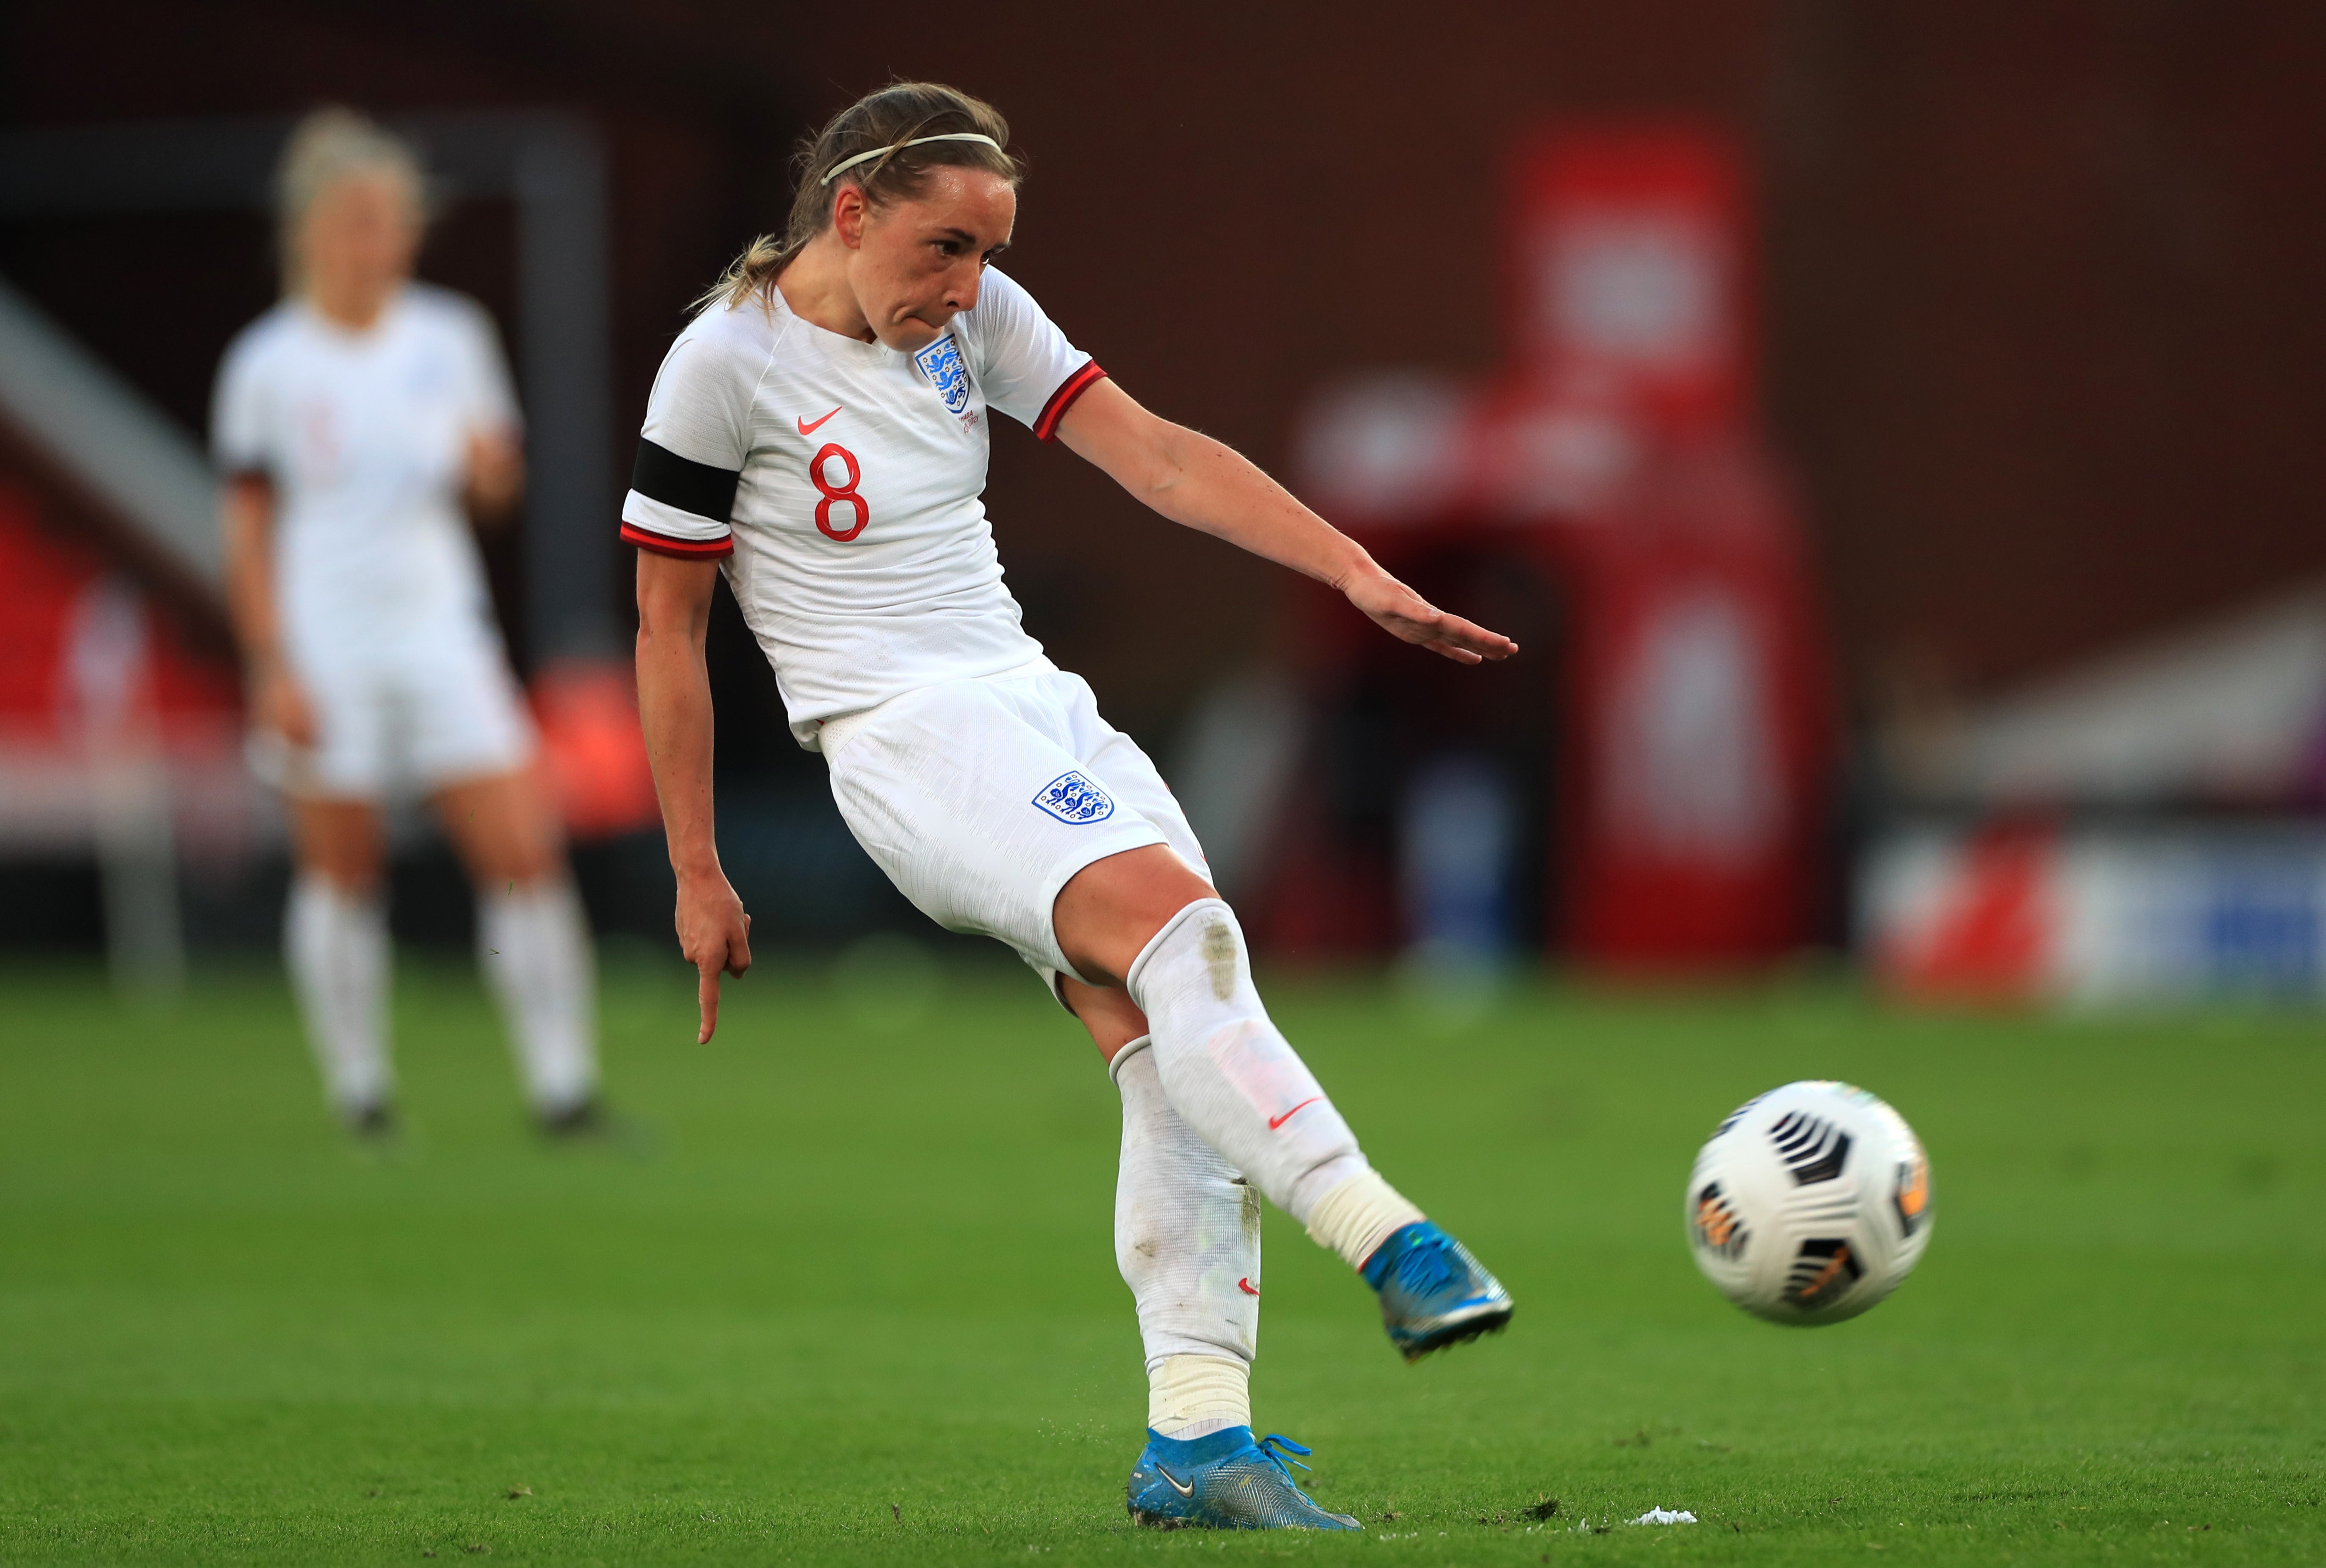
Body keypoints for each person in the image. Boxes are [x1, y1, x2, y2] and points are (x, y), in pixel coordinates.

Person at [629, 83, 1515, 1531]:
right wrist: (695, 863)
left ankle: (1196, 1442)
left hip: (1033, 702)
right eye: (942, 248)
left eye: (986, 250)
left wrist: (1354, 571)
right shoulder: (720, 366)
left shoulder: (971, 315)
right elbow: (667, 630)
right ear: (849, 213)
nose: (966, 283)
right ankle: (1389, 1238)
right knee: (1186, 940)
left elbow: (1157, 453)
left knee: (1173, 1043)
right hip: (906, 740)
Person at [214, 108, 602, 1138]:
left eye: (391, 219)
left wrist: (490, 475)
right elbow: (246, 533)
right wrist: (271, 663)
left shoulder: (450, 335)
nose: (378, 239)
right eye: (356, 219)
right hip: (326, 639)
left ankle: (563, 1088)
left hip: (441, 631)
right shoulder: (268, 365)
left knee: (524, 848)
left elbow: (493, 490)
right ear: (309, 230)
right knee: (343, 869)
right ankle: (361, 1091)